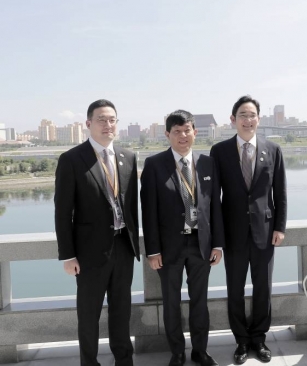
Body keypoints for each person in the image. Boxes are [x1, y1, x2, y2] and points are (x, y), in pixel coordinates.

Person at [55, 99, 140, 366]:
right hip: (89, 253)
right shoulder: (71, 159)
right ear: (88, 124)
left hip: (124, 248)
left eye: (112, 119)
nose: (108, 124)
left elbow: (132, 206)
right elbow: (62, 212)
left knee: (121, 310)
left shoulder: (128, 156)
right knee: (89, 314)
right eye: (101, 119)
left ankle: (124, 360)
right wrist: (68, 256)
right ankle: (89, 362)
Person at [140, 110, 224, 366]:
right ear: (167, 135)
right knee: (171, 303)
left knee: (200, 302)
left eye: (187, 130)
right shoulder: (154, 165)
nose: (183, 136)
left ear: (195, 132)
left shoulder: (208, 163)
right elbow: (148, 211)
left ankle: (200, 350)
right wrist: (153, 251)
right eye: (176, 131)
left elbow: (215, 207)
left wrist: (218, 243)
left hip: (201, 244)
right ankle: (177, 352)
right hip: (169, 249)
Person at [210, 95, 287, 365]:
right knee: (235, 289)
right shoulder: (219, 152)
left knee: (263, 288)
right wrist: (217, 239)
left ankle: (259, 339)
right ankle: (241, 341)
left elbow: (280, 193)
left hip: (265, 233)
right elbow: (213, 200)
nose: (248, 120)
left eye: (252, 114)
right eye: (242, 115)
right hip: (233, 235)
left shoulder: (273, 150)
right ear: (233, 120)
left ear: (259, 119)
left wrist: (280, 227)